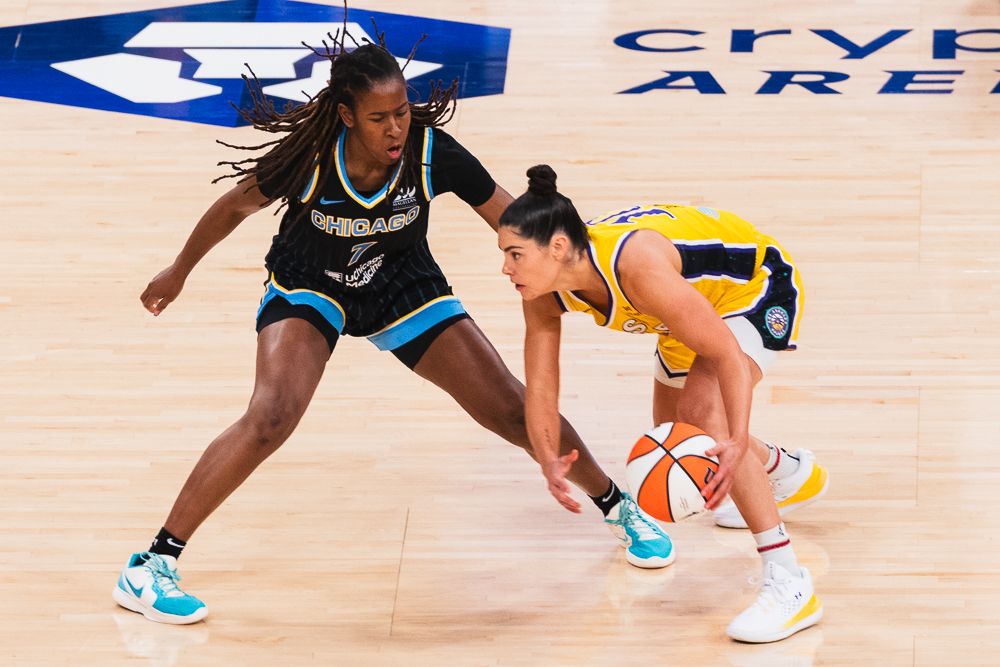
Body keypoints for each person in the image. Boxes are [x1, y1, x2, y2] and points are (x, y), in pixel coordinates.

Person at [112, 37, 675, 626]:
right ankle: (151, 565)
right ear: (347, 115)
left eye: (402, 111)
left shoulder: (432, 152)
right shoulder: (308, 159)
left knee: (512, 408)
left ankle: (617, 504)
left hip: (403, 285)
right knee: (271, 415)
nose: (395, 127)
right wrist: (178, 272)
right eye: (379, 117)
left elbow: (513, 220)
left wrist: (580, 271)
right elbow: (232, 208)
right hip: (311, 285)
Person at [497, 165, 828, 643]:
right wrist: (548, 458)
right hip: (686, 312)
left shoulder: (638, 268)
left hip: (754, 289)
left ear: (557, 247)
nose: (505, 268)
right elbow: (542, 387)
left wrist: (733, 438)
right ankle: (783, 470)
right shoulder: (543, 291)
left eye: (514, 254)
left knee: (703, 421)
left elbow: (727, 357)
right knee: (674, 434)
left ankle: (790, 582)